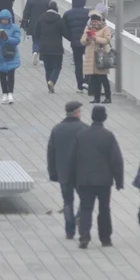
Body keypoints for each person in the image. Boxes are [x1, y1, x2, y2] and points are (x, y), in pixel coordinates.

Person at [66, 105, 125, 249]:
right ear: (104, 118)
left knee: (86, 208)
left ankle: (84, 237)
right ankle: (105, 238)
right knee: (104, 208)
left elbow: (72, 159)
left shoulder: (81, 135)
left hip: (84, 180)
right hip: (104, 181)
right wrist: (119, 181)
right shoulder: (108, 136)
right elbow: (116, 160)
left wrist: (72, 179)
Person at [47, 101, 88, 240]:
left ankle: (69, 231)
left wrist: (52, 172)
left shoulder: (57, 129)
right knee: (85, 199)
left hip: (63, 173)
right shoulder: (84, 129)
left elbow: (51, 153)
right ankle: (79, 217)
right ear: (76, 113)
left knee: (67, 202)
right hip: (81, 173)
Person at [0, 9, 22, 104]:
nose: (4, 21)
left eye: (6, 19)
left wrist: (7, 38)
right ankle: (4, 93)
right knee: (2, 75)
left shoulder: (14, 28)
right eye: (3, 19)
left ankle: (10, 93)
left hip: (11, 55)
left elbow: (17, 40)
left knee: (11, 74)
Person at [32, 0, 67, 93]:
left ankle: (49, 85)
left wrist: (40, 42)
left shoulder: (41, 19)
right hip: (57, 48)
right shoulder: (59, 20)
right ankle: (52, 81)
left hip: (44, 48)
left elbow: (36, 32)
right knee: (57, 66)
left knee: (48, 68)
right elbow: (65, 32)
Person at [81, 11, 113, 104]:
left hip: (101, 56)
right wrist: (87, 39)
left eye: (96, 21)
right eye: (93, 21)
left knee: (103, 78)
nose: (94, 23)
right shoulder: (88, 28)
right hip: (91, 56)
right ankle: (96, 97)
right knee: (94, 79)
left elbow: (106, 40)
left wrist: (95, 38)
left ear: (100, 21)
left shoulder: (105, 28)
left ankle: (108, 97)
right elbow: (82, 41)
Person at [62, 0, 91, 93]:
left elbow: (63, 29)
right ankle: (87, 81)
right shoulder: (89, 13)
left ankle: (80, 86)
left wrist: (71, 38)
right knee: (88, 61)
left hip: (75, 42)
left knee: (78, 63)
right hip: (88, 41)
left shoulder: (67, 14)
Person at [20, 0, 51, 65]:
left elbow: (26, 13)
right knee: (44, 40)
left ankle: (35, 51)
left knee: (36, 40)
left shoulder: (30, 0)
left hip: (33, 24)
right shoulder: (48, 1)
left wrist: (25, 21)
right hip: (45, 24)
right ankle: (42, 59)